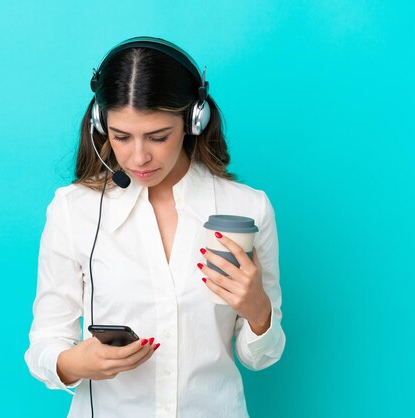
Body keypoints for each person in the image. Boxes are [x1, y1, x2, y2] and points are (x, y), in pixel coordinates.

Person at [24, 36, 286, 418]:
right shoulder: (73, 210)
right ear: (101, 125)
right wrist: (77, 363)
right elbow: (44, 345)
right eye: (121, 137)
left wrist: (259, 311)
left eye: (158, 137)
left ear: (193, 122)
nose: (138, 156)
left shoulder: (248, 209)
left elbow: (259, 357)